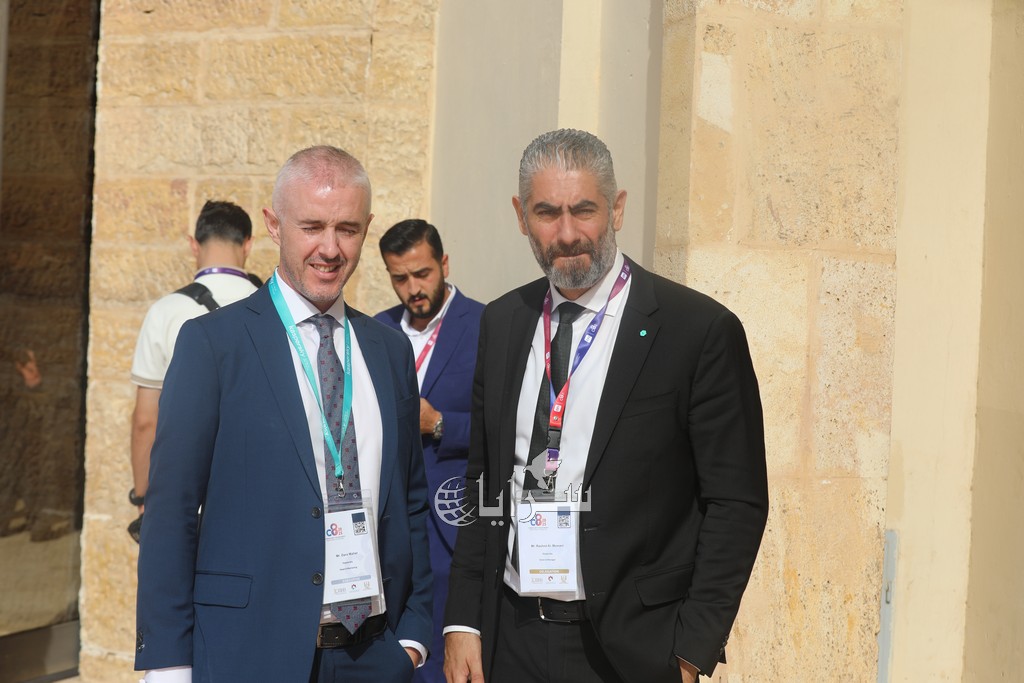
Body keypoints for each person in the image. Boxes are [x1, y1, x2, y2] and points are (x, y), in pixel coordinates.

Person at [443, 129, 769, 683]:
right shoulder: (502, 322)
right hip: (511, 639)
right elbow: (485, 481)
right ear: (521, 216)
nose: (568, 234)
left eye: (584, 210)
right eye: (547, 213)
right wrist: (463, 620)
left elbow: (735, 502)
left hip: (631, 651)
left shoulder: (696, 331)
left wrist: (692, 648)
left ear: (616, 208)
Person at [135, 146, 432, 682]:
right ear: (274, 225)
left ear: (367, 228)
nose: (330, 248)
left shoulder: (388, 352)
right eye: (312, 226)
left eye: (347, 229)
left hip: (373, 656)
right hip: (251, 654)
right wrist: (167, 665)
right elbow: (171, 512)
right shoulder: (213, 345)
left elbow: (410, 502)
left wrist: (412, 634)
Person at [374, 219, 485, 683]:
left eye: (422, 274)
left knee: (447, 659)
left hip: (453, 521)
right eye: (400, 278)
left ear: (444, 264)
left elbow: (506, 428)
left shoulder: (485, 324)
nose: (413, 288)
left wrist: (439, 424)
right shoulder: (375, 330)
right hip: (386, 522)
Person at [128, 200, 259, 518]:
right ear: (248, 244)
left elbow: (146, 421)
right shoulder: (272, 307)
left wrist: (142, 496)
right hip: (259, 487)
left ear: (193, 245)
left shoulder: (164, 312)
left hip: (186, 494)